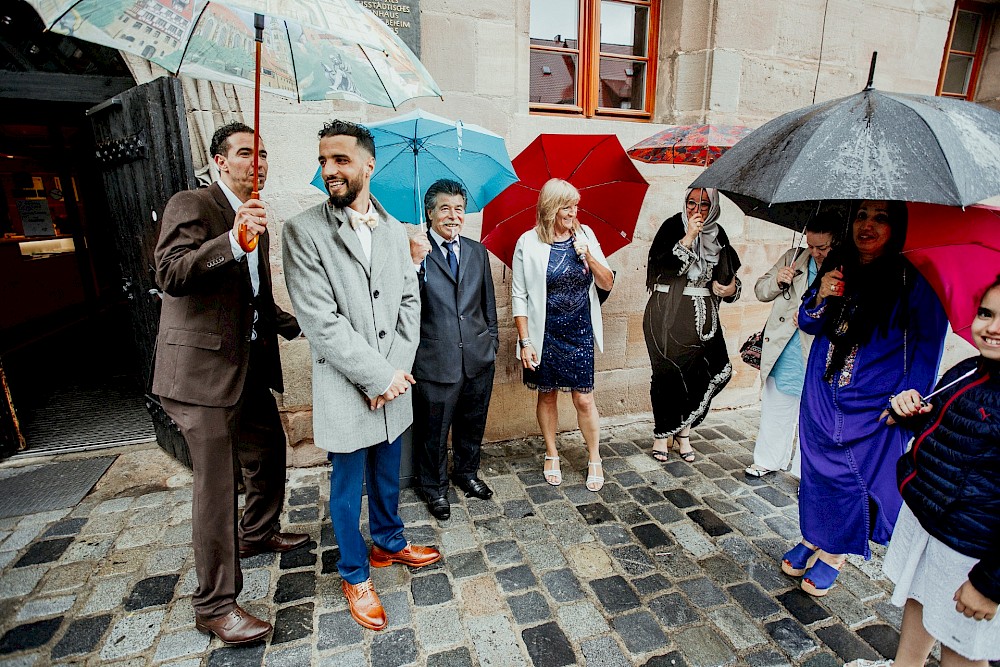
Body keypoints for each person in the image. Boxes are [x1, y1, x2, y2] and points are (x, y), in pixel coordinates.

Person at [281, 120, 441, 632]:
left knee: (389, 472)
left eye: (341, 160)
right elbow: (320, 322)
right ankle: (354, 572)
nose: (329, 170)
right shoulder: (302, 231)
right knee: (348, 485)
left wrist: (395, 373)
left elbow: (409, 305)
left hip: (393, 380)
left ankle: (389, 543)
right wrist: (376, 377)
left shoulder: (397, 231)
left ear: (368, 165)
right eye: (323, 160)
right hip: (347, 385)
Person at [152, 122, 307, 644]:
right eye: (245, 153)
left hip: (246, 366)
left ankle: (258, 533)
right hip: (200, 374)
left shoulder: (253, 217)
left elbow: (254, 297)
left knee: (269, 448)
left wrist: (302, 321)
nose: (257, 163)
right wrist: (232, 241)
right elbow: (171, 273)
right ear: (219, 161)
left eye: (262, 154)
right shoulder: (193, 205)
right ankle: (215, 606)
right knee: (217, 486)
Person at [782, 200, 948, 597]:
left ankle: (835, 552)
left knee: (851, 475)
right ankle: (814, 535)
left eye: (881, 218)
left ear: (898, 227)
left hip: (874, 401)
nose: (867, 226)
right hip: (822, 390)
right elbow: (808, 321)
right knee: (819, 472)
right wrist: (820, 295)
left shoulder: (915, 278)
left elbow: (928, 345)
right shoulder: (838, 262)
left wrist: (909, 397)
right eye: (861, 216)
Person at [845, 275, 1000, 667]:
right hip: (935, 522)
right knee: (922, 602)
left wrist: (989, 584)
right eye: (986, 313)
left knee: (960, 647)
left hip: (973, 548)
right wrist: (911, 412)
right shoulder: (969, 369)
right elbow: (943, 428)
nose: (993, 328)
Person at [511, 178, 615, 492]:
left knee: (584, 398)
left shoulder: (586, 236)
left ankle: (594, 456)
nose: (573, 212)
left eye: (575, 206)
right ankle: (552, 452)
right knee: (547, 394)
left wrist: (590, 257)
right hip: (546, 333)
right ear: (550, 208)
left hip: (580, 330)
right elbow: (519, 296)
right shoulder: (527, 242)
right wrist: (525, 341)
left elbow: (608, 282)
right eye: (566, 207)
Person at [407, 179, 499, 521]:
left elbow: (487, 305)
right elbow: (404, 303)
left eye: (458, 208)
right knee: (433, 431)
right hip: (435, 359)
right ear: (430, 213)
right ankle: (433, 487)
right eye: (444, 208)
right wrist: (414, 264)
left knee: (471, 425)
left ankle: (467, 473)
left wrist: (491, 344)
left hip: (477, 357)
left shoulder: (477, 251)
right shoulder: (417, 251)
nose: (453, 215)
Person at [644, 187, 741, 463]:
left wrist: (730, 288)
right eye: (691, 202)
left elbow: (729, 278)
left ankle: (684, 434)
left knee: (700, 374)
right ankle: (662, 434)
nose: (696, 209)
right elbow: (660, 269)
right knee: (666, 375)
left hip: (705, 318)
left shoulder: (719, 234)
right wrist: (688, 238)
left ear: (714, 206)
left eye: (704, 203)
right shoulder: (671, 227)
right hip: (668, 316)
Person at [745, 214, 837, 478]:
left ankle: (804, 472)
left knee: (812, 415)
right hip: (785, 347)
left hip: (817, 348)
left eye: (823, 247)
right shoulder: (793, 257)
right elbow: (761, 290)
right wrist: (777, 281)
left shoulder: (843, 268)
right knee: (776, 404)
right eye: (812, 245)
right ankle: (768, 459)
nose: (816, 253)